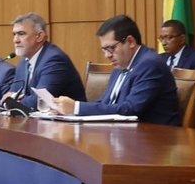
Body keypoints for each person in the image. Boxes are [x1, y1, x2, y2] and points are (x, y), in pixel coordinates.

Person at [50, 15, 181, 125]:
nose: (107, 55)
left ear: (130, 41)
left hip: (155, 139)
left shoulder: (150, 64)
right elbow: (106, 102)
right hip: (125, 134)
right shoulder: (122, 64)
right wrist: (69, 110)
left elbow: (130, 109)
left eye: (111, 48)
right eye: (104, 50)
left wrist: (77, 107)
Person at [2, 12, 86, 110]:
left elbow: (40, 101)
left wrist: (11, 100)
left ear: (39, 36)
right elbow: (12, 94)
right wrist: (11, 99)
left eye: (21, 34)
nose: (15, 40)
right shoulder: (24, 61)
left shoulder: (54, 60)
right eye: (14, 34)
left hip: (68, 119)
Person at [157, 19, 195, 96]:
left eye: (169, 37)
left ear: (182, 39)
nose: (164, 43)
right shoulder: (159, 59)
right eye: (161, 38)